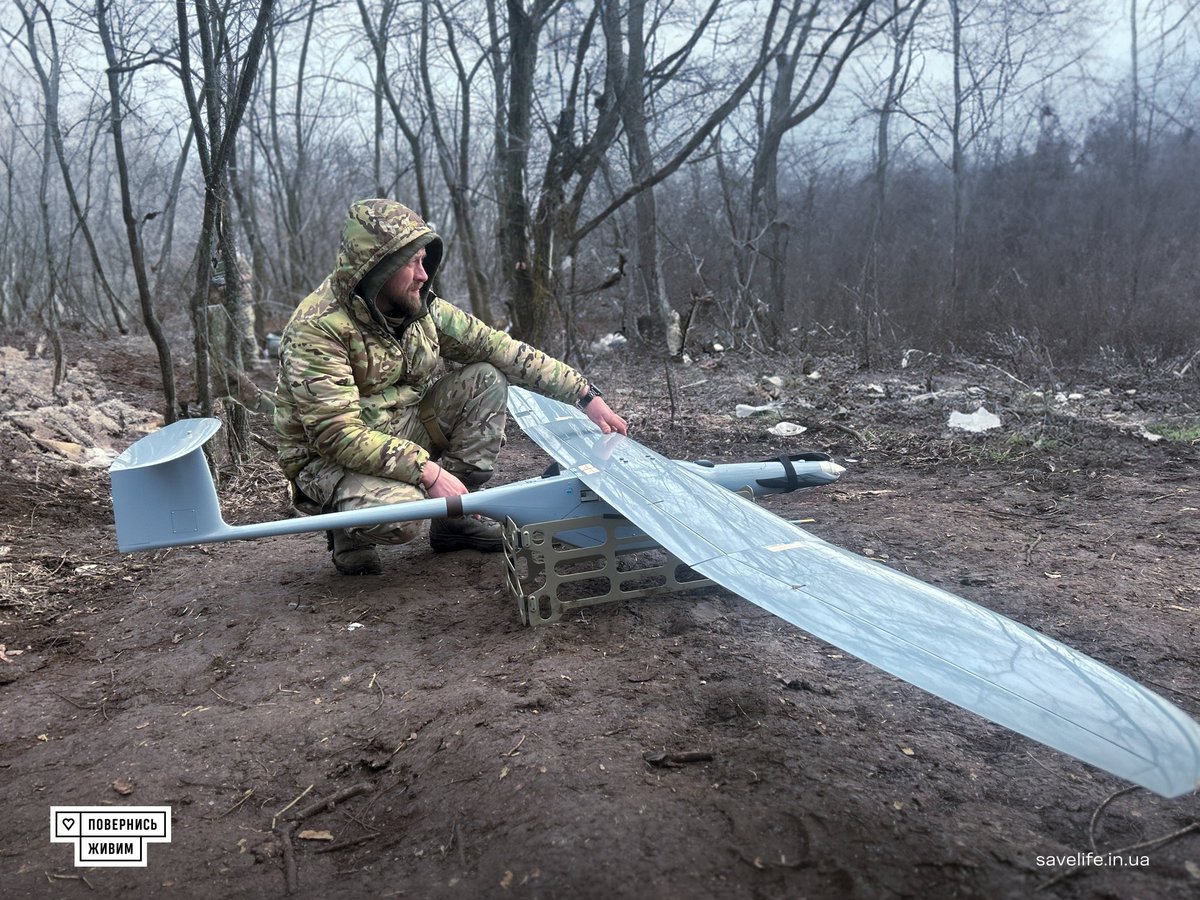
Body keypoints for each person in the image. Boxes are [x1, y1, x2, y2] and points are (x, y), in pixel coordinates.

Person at [273, 198, 627, 575]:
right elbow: (336, 433)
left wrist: (584, 395)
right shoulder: (317, 327)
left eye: (425, 261)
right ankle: (349, 530)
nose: (424, 275)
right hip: (329, 458)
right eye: (412, 263)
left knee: (485, 379)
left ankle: (453, 522)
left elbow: (498, 347)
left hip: (397, 426)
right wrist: (428, 472)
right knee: (403, 516)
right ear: (377, 265)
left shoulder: (421, 307)